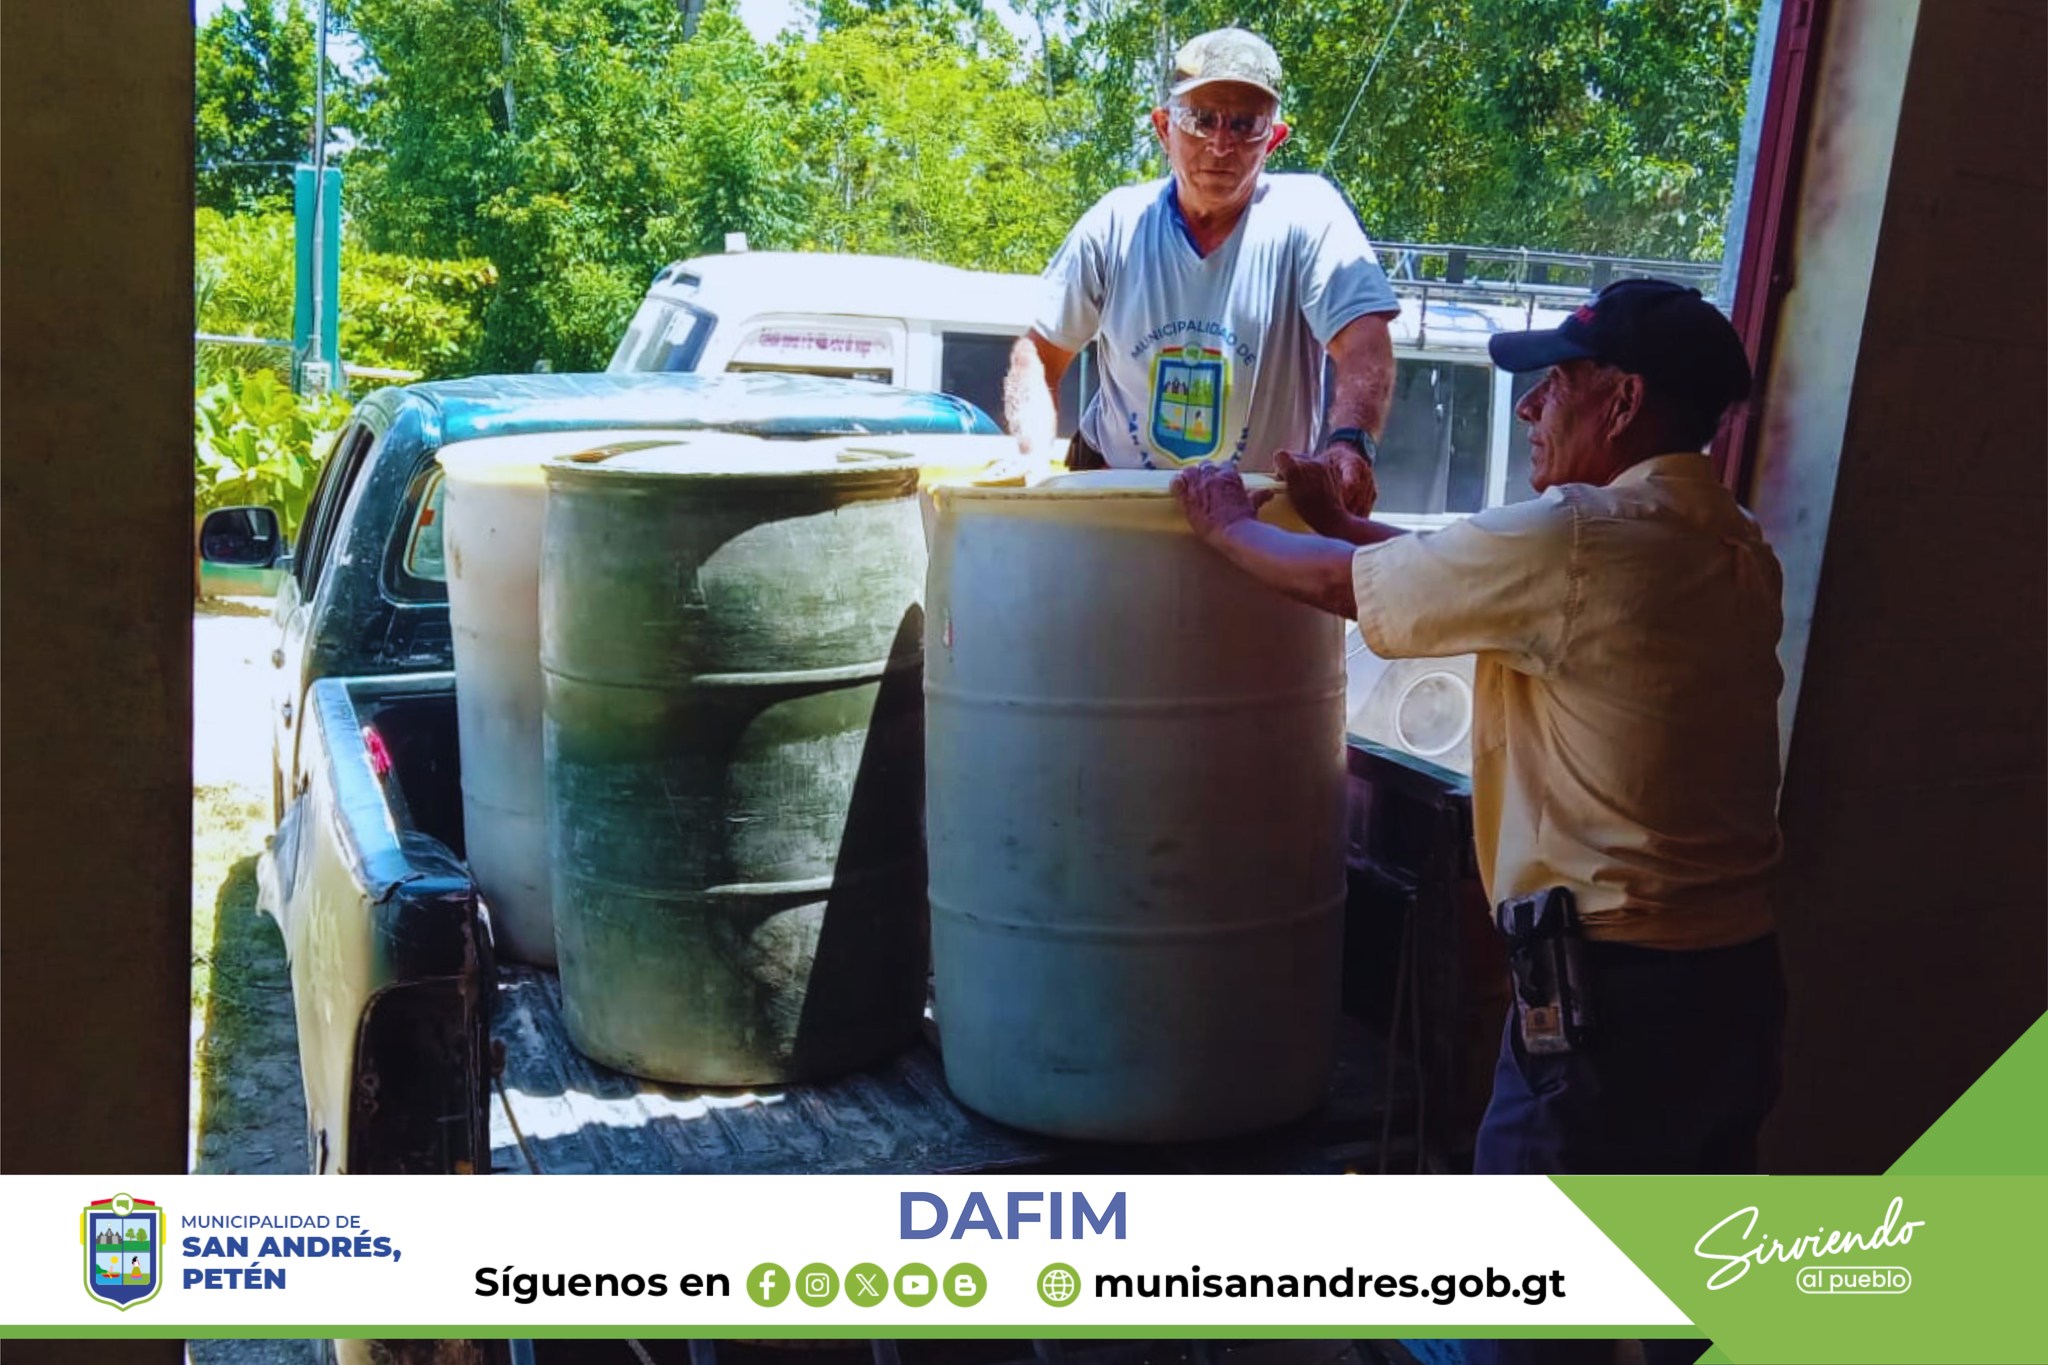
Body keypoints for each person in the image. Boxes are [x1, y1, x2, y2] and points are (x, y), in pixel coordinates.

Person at [1173, 278, 1787, 1188]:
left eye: (1556, 384)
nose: (1531, 407)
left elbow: (1347, 586)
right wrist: (1339, 521)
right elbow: (1469, 578)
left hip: (1609, 999)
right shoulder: (1731, 539)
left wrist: (1225, 526)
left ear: (1624, 401)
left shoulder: (1582, 535)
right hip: (1735, 986)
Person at [1003, 26, 1400, 515]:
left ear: (1273, 140)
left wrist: (1352, 443)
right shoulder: (1115, 224)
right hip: (1118, 499)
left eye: (1245, 124)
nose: (1220, 142)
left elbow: (1364, 341)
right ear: (1163, 127)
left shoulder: (1309, 217)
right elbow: (1038, 354)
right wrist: (1032, 457)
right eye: (1200, 119)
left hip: (1258, 511)